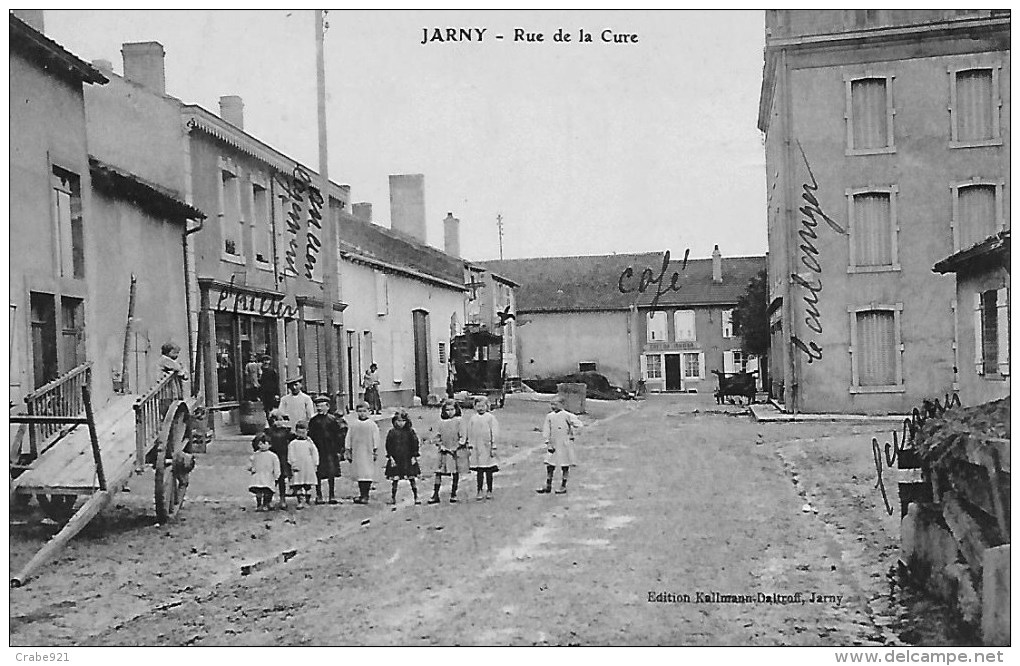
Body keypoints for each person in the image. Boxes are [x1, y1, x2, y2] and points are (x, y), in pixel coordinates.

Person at [536, 397, 584, 495]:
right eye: (552, 404)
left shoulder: (567, 415)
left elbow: (579, 425)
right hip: (553, 442)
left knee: (564, 464)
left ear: (562, 404)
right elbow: (546, 430)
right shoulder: (549, 416)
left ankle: (563, 485)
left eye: (555, 404)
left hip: (564, 443)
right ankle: (548, 484)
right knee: (550, 464)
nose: (553, 407)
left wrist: (572, 434)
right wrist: (547, 441)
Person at [427, 399, 466, 504]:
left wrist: (457, 446)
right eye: (447, 410)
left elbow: (463, 437)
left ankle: (453, 493)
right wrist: (440, 445)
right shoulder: (441, 423)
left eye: (452, 409)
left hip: (455, 451)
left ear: (456, 410)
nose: (449, 412)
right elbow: (437, 436)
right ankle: (435, 494)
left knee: (455, 471)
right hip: (443, 451)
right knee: (438, 472)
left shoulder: (459, 421)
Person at [309, 395, 346, 504]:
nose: (319, 408)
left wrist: (339, 450)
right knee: (318, 473)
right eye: (317, 406)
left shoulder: (332, 420)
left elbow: (338, 435)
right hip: (318, 449)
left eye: (322, 406)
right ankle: (319, 494)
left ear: (328, 407)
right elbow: (311, 436)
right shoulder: (313, 421)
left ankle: (331, 495)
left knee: (331, 472)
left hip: (330, 449)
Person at [465, 395, 499, 501]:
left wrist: (494, 446)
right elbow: (469, 432)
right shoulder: (473, 418)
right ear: (474, 407)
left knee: (489, 470)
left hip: (487, 447)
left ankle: (489, 490)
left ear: (487, 406)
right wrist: (470, 445)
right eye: (478, 406)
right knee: (480, 470)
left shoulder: (490, 418)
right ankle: (479, 490)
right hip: (477, 448)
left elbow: (495, 432)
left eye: (483, 406)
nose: (480, 408)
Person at [385, 408, 421, 506]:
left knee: (411, 478)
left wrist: (414, 456)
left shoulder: (410, 432)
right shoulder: (392, 432)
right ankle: (393, 497)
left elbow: (415, 444)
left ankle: (416, 496)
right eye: (398, 421)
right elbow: (388, 445)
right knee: (395, 479)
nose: (401, 423)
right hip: (396, 458)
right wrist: (390, 457)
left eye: (403, 421)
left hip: (407, 458)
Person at [347, 401, 379, 504]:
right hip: (357, 452)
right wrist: (348, 449)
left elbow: (376, 438)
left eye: (364, 411)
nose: (362, 413)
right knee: (360, 474)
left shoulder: (372, 425)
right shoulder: (354, 424)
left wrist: (375, 449)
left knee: (367, 473)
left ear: (368, 412)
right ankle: (362, 494)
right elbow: (349, 437)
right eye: (360, 411)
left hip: (368, 451)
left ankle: (366, 495)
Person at [265, 409, 296, 509]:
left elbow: (295, 439)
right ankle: (268, 500)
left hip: (283, 457)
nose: (278, 422)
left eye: (280, 419)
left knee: (282, 478)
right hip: (271, 457)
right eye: (275, 420)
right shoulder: (268, 432)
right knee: (271, 480)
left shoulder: (287, 432)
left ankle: (282, 499)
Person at [288, 420, 319, 509]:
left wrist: (315, 464)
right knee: (298, 484)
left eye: (303, 432)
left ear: (307, 432)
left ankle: (307, 500)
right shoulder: (293, 443)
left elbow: (314, 453)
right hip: (298, 466)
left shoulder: (310, 443)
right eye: (299, 432)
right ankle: (300, 501)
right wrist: (293, 464)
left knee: (307, 484)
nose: (301, 434)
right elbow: (291, 455)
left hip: (308, 466)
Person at [248, 436, 280, 512]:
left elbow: (276, 466)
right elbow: (252, 463)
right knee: (258, 491)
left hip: (268, 476)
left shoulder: (273, 456)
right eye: (260, 444)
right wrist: (252, 468)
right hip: (258, 475)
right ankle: (259, 504)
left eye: (265, 444)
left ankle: (266, 504)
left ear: (270, 445)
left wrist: (276, 475)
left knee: (267, 491)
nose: (262, 446)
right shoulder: (256, 455)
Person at [258, 356, 280, 421]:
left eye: (267, 360)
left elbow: (276, 382)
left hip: (271, 391)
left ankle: (270, 420)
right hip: (263, 391)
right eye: (264, 360)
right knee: (264, 406)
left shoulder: (272, 371)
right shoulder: (260, 370)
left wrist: (276, 393)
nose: (266, 362)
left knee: (270, 406)